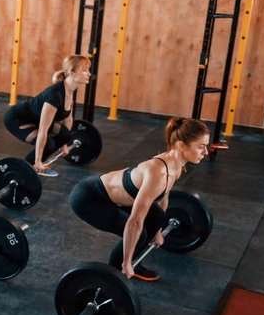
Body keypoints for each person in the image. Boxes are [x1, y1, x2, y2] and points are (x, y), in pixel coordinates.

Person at [69, 117, 210, 282]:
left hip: (113, 197)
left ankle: (130, 262)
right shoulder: (159, 172)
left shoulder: (176, 164)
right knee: (140, 234)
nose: (206, 152)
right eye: (201, 147)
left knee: (157, 216)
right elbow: (135, 220)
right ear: (180, 145)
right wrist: (127, 262)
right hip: (89, 198)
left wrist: (157, 231)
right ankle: (115, 273)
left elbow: (163, 198)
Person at [3, 55, 90, 177]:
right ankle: (26, 169)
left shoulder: (69, 91)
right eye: (85, 70)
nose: (89, 74)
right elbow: (43, 131)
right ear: (72, 72)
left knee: (65, 134)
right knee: (49, 144)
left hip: (35, 118)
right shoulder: (55, 95)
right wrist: (39, 161)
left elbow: (68, 118)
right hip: (17, 119)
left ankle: (34, 165)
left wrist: (63, 144)